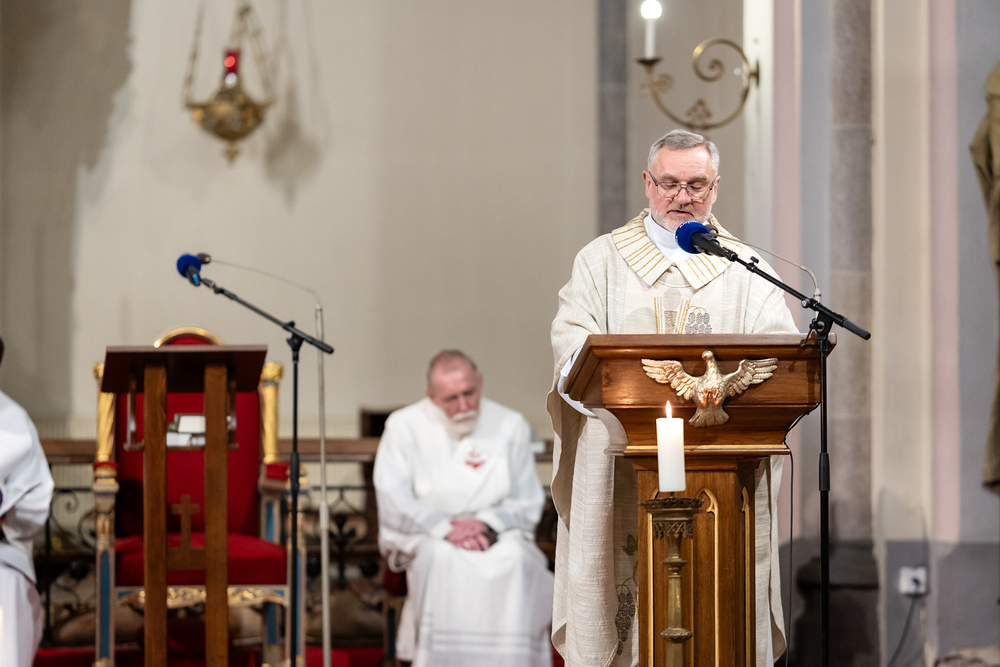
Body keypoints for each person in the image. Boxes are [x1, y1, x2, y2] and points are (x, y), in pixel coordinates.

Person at [547, 129, 799, 666]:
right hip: (620, 458)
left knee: (716, 604)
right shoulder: (601, 261)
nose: (682, 197)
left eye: (696, 185)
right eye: (669, 183)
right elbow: (571, 342)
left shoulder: (744, 267)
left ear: (715, 187)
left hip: (719, 458)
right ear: (648, 183)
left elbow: (780, 356)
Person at [374, 350, 554, 667]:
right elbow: (393, 497)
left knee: (517, 559)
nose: (464, 406)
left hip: (495, 533)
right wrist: (446, 527)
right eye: (451, 398)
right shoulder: (403, 426)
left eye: (469, 393)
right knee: (439, 558)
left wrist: (485, 523)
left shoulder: (509, 425)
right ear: (432, 396)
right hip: (429, 533)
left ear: (479, 381)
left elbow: (526, 500)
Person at [0, 336, 54, 667]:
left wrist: (5, 512)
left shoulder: (13, 421)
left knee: (7, 588)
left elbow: (35, 497)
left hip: (1, 554)